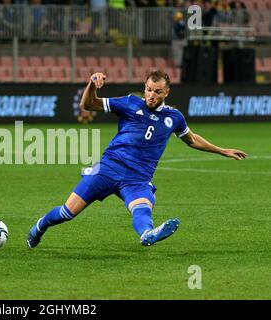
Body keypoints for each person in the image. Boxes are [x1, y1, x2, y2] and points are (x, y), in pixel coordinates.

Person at [27, 70, 248, 248]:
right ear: (145, 88)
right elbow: (89, 104)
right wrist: (92, 84)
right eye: (149, 90)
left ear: (167, 93)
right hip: (108, 167)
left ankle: (147, 234)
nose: (151, 95)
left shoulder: (174, 117)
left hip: (138, 177)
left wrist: (222, 150)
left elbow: (191, 139)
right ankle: (40, 226)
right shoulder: (130, 103)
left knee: (142, 208)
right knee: (68, 212)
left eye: (157, 92)